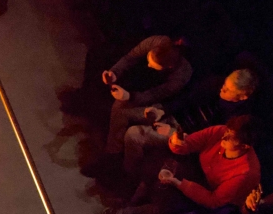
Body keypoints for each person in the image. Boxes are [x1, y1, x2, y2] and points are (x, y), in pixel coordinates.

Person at [84, 116, 261, 214]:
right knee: (155, 169)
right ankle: (131, 202)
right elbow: (189, 145)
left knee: (165, 206)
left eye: (230, 137)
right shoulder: (220, 131)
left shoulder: (245, 172)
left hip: (209, 194)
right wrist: (177, 142)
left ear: (244, 146)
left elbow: (214, 201)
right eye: (227, 130)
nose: (224, 135)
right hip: (196, 170)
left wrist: (178, 182)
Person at [81, 35, 192, 178]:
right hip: (142, 85)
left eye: (153, 65)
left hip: (161, 103)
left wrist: (130, 96)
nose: (148, 65)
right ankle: (112, 154)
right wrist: (114, 72)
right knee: (118, 104)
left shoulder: (181, 74)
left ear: (168, 67)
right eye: (149, 59)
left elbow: (156, 94)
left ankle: (112, 157)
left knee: (121, 109)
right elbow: (130, 57)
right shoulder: (158, 42)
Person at [121, 68, 258, 178]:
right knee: (124, 112)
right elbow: (186, 99)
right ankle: (113, 152)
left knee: (133, 134)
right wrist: (162, 111)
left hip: (183, 136)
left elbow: (205, 140)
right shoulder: (215, 83)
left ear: (242, 96)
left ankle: (130, 174)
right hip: (173, 116)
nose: (222, 88)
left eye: (228, 90)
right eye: (224, 84)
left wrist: (174, 133)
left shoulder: (237, 119)